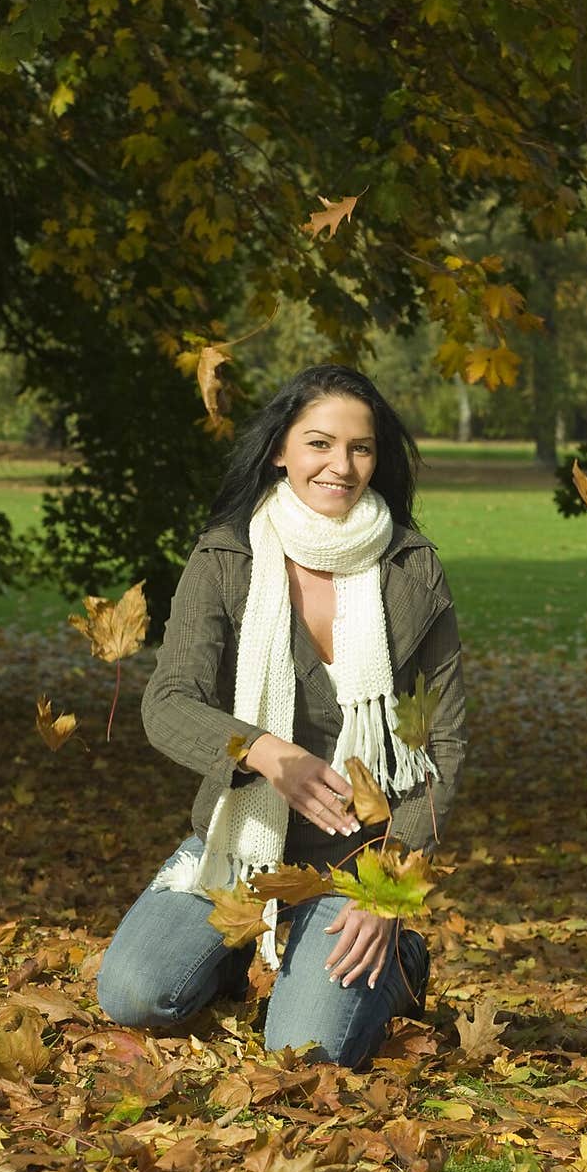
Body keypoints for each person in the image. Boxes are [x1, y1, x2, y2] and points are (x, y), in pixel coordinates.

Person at [97, 364, 468, 1068]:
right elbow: (168, 702)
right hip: (238, 845)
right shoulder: (228, 557)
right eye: (319, 444)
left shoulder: (413, 571)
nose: (342, 465)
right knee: (133, 995)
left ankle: (400, 960)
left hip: (360, 861)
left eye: (361, 448)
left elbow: (442, 742)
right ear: (280, 451)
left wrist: (389, 889)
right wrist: (266, 751)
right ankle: (250, 948)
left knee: (307, 1050)